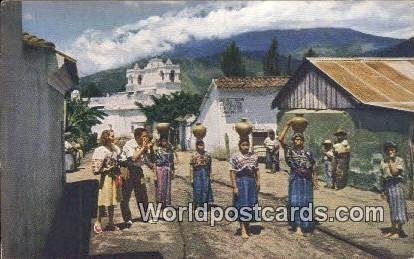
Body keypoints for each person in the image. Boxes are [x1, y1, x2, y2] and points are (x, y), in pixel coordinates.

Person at [279, 120, 318, 237]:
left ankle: (306, 225)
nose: (298, 141)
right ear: (293, 141)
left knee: (306, 202)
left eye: (300, 139)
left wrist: (315, 181)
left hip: (306, 181)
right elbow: (280, 139)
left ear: (303, 141)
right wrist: (287, 125)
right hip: (295, 179)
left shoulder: (308, 153)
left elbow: (313, 167)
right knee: (296, 202)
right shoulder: (290, 150)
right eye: (296, 139)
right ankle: (298, 227)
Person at [121, 128, 154, 227]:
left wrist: (151, 149)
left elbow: (150, 161)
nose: (146, 138)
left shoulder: (145, 145)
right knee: (125, 196)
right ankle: (127, 219)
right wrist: (143, 147)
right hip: (128, 170)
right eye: (144, 136)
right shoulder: (130, 144)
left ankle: (146, 217)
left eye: (146, 136)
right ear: (137, 136)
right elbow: (133, 158)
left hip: (139, 171)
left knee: (143, 194)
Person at [92, 130, 122, 234]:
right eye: (112, 136)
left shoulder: (114, 148)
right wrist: (106, 168)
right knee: (103, 200)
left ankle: (110, 222)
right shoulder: (101, 150)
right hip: (106, 177)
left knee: (112, 200)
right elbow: (96, 168)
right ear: (106, 137)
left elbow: (119, 159)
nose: (114, 138)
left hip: (114, 176)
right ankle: (98, 222)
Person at [230, 139, 260, 239]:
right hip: (241, 182)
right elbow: (232, 172)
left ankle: (247, 227)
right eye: (243, 145)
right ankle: (243, 228)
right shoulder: (235, 157)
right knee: (242, 204)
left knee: (251, 204)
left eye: (247, 145)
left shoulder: (254, 156)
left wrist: (258, 182)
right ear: (239, 146)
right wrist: (235, 186)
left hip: (251, 182)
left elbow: (256, 170)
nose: (246, 147)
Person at [379, 141, 408, 239]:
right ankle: (393, 229)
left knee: (399, 208)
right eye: (388, 149)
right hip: (388, 185)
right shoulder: (383, 161)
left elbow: (395, 173)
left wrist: (391, 161)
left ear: (395, 151)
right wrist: (383, 190)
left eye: (392, 149)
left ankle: (398, 231)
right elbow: (382, 176)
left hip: (397, 185)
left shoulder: (399, 160)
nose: (390, 151)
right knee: (392, 208)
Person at [190, 140, 214, 208]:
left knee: (205, 189)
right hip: (197, 174)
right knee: (197, 189)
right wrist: (191, 178)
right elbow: (191, 167)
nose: (201, 147)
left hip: (205, 173)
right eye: (199, 145)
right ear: (196, 146)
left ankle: (204, 205)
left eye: (202, 145)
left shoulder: (207, 155)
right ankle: (197, 205)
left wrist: (211, 175)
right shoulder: (194, 155)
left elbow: (210, 166)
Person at [154, 135, 175, 209]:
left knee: (166, 187)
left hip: (167, 169)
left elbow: (172, 161)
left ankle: (165, 203)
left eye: (165, 141)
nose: (164, 142)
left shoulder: (170, 150)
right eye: (163, 141)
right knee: (159, 186)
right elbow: (154, 162)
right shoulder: (157, 150)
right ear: (160, 141)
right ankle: (159, 203)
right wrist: (154, 174)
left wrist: (173, 171)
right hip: (159, 169)